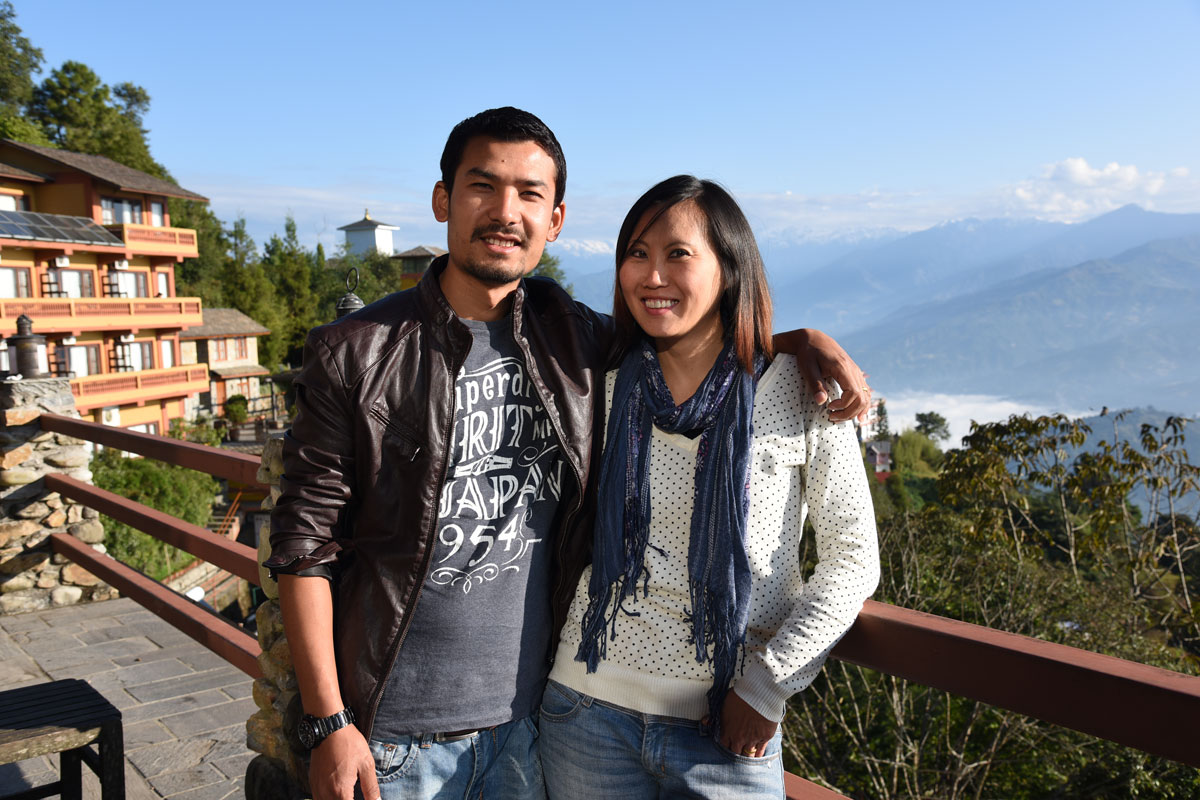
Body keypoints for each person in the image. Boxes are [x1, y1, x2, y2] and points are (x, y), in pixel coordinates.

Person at [267, 109, 871, 800]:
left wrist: (795, 342)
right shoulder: (360, 351)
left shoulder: (572, 341)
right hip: (403, 735)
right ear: (442, 200)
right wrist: (329, 721)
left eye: (529, 194)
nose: (505, 212)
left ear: (554, 220)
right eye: (482, 186)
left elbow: (691, 331)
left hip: (527, 727)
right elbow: (304, 541)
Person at [540, 176, 880, 799]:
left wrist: (768, 687)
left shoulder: (800, 389)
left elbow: (854, 558)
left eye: (678, 254)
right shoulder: (601, 382)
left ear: (729, 268)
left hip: (730, 727)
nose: (653, 276)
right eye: (637, 253)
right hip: (584, 712)